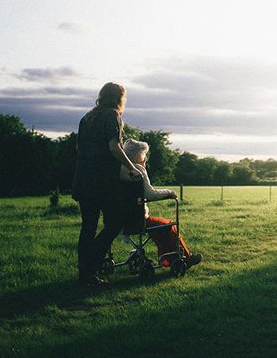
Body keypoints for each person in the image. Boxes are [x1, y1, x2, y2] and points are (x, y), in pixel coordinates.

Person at [72, 82, 143, 286]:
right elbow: (114, 146)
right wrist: (132, 167)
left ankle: (84, 274)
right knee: (114, 223)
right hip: (101, 180)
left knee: (89, 226)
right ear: (118, 98)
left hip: (83, 178)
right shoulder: (112, 115)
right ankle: (90, 266)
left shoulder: (86, 118)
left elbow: (80, 148)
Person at [120, 139, 202, 269]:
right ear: (138, 155)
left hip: (119, 219)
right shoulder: (138, 169)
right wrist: (170, 192)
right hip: (137, 219)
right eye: (144, 154)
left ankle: (169, 258)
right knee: (168, 225)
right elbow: (150, 194)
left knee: (159, 226)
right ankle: (184, 258)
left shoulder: (117, 169)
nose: (145, 158)